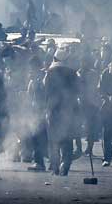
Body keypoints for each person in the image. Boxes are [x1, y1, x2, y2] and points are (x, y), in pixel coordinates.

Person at [43, 47, 80, 176]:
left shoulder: (49, 73)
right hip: (69, 109)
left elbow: (46, 92)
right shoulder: (73, 73)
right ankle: (66, 163)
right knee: (68, 138)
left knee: (53, 139)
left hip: (53, 110)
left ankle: (55, 165)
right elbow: (78, 91)